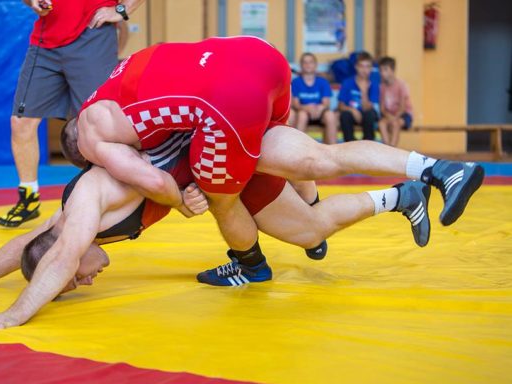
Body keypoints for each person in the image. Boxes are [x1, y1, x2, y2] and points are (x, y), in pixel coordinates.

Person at [73, 36, 484, 286]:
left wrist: (183, 203)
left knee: (220, 200)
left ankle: (249, 266)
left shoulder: (94, 135)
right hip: (260, 59)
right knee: (317, 175)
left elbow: (155, 182)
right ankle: (430, 175)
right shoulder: (122, 76)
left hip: (225, 108)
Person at [0, 131, 433, 329]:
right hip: (213, 169)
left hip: (217, 149)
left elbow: (54, 256)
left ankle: (419, 175)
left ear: (65, 257)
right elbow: (28, 247)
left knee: (314, 182)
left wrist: (14, 314)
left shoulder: (84, 209)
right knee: (308, 225)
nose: (86, 280)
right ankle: (399, 197)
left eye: (74, 280)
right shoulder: (72, 223)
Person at [0, 0, 144, 228]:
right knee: (21, 121)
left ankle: (118, 200)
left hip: (92, 35)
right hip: (46, 40)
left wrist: (121, 10)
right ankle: (28, 196)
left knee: (99, 124)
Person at [289, 53, 338, 144]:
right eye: (305, 62)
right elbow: (295, 104)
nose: (308, 65)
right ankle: (299, 147)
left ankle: (332, 147)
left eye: (311, 62)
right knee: (302, 115)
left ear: (315, 65)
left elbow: (326, 103)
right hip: (303, 112)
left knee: (330, 115)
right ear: (301, 65)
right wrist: (307, 108)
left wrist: (319, 108)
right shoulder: (296, 82)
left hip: (319, 113)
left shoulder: (323, 82)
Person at [337, 51, 380, 142]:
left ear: (371, 68)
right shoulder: (347, 82)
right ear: (356, 67)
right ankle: (350, 143)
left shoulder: (374, 84)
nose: (364, 70)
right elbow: (340, 105)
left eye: (367, 66)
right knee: (345, 115)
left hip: (366, 113)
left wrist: (363, 90)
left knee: (370, 114)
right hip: (351, 113)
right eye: (362, 66)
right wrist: (353, 110)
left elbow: (367, 107)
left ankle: (368, 144)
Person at [378, 56, 413, 147]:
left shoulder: (401, 85)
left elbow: (402, 107)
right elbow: (382, 108)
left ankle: (392, 148)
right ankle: (387, 148)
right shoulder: (382, 87)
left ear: (392, 70)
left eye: (385, 69)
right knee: (381, 123)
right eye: (380, 70)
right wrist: (389, 117)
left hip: (404, 115)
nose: (382, 73)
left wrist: (394, 118)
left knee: (395, 124)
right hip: (389, 115)